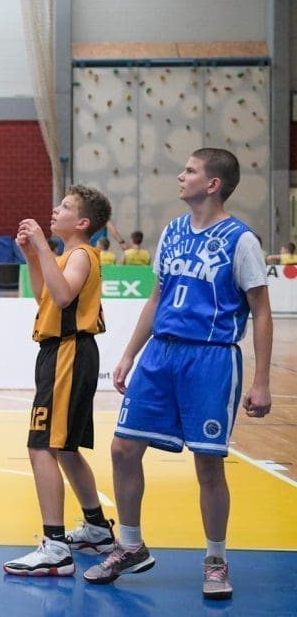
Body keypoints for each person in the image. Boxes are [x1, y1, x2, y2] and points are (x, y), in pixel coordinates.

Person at [84, 149, 272, 601]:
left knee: (207, 463)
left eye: (190, 170)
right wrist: (129, 353)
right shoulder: (171, 231)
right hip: (160, 356)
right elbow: (157, 298)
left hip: (210, 359)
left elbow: (262, 312)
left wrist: (262, 380)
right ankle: (130, 546)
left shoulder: (240, 240)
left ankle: (215, 560)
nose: (180, 176)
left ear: (213, 184)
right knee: (123, 448)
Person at [2, 185, 116, 577]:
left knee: (41, 446)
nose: (55, 209)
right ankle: (97, 529)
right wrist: (33, 256)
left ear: (82, 222)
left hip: (69, 352)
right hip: (63, 353)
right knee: (65, 448)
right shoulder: (68, 256)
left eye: (65, 206)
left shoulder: (81, 254)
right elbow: (46, 296)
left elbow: (65, 297)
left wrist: (41, 244)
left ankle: (55, 548)